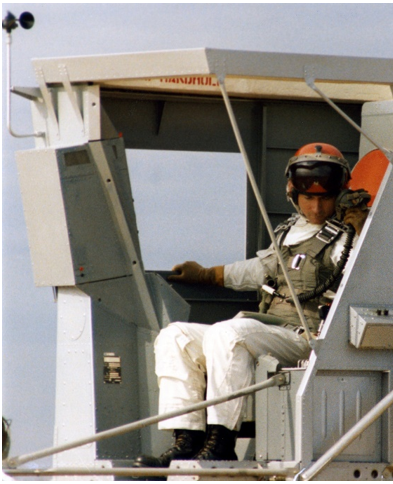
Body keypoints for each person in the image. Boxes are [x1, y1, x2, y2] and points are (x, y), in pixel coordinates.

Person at [135, 142, 370, 467]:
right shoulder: (290, 231)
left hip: (306, 338)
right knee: (176, 336)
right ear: (293, 194)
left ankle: (221, 441)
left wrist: (358, 228)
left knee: (229, 334)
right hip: (270, 330)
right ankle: (186, 439)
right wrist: (206, 274)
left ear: (340, 195)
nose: (316, 208)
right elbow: (257, 271)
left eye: (325, 198)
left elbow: (364, 273)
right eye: (309, 198)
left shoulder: (347, 238)